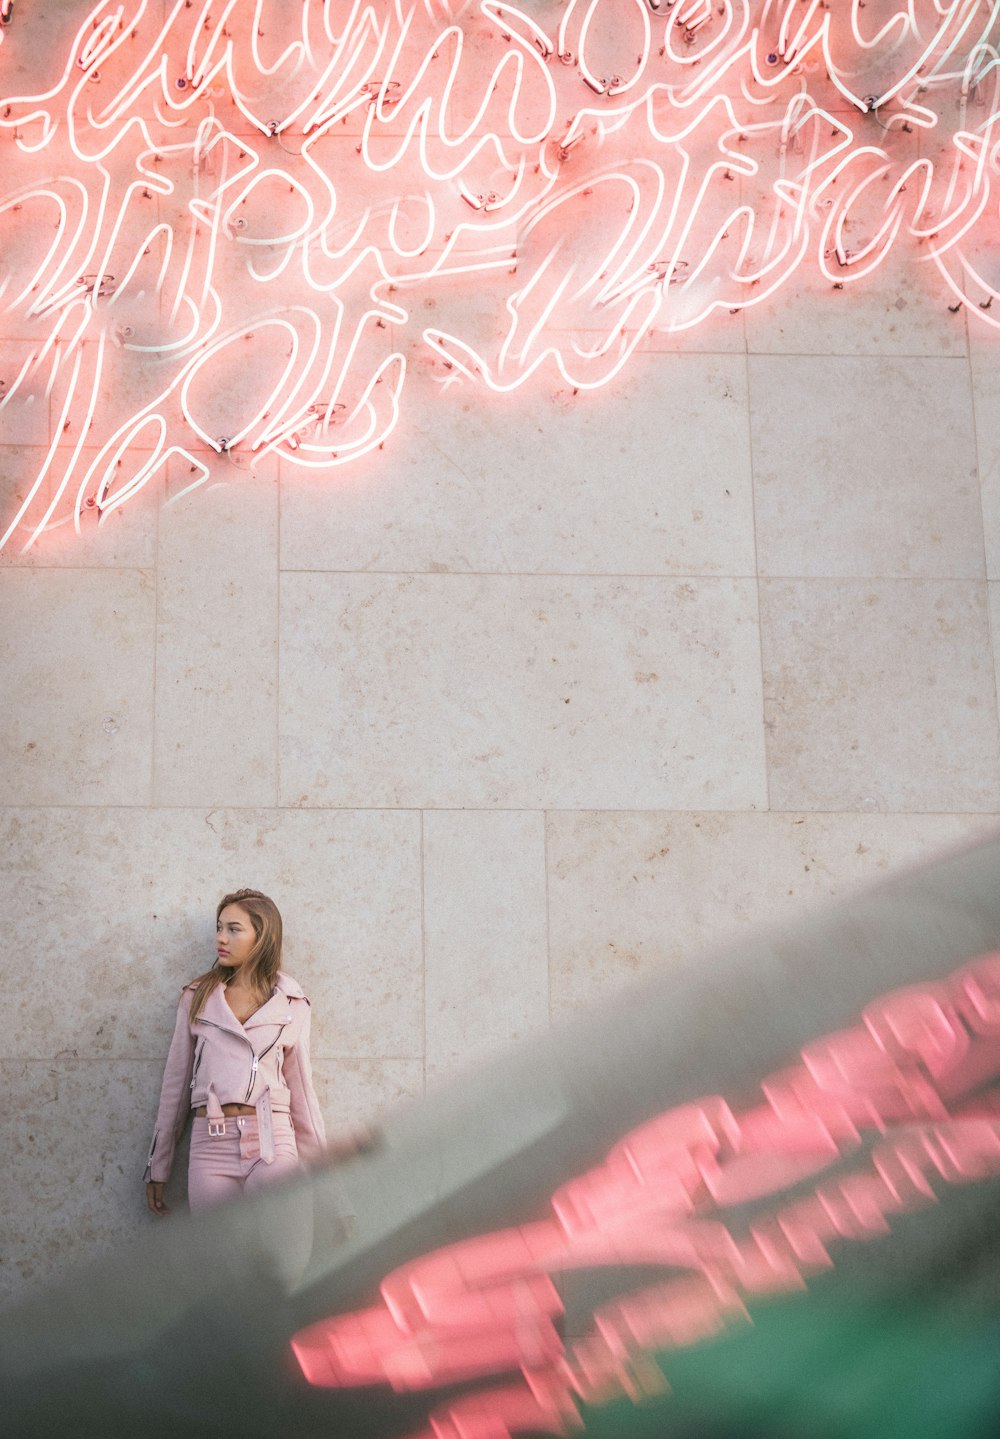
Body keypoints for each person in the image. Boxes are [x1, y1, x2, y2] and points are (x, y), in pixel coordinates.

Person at [144, 888, 326, 1215]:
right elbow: (174, 1086)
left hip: (272, 1138)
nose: (221, 938)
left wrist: (332, 1194)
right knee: (222, 1256)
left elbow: (303, 1096)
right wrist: (158, 1166)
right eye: (219, 927)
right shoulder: (197, 997)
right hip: (209, 1144)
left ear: (262, 936)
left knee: (280, 1254)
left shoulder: (291, 1003)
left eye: (233, 929)